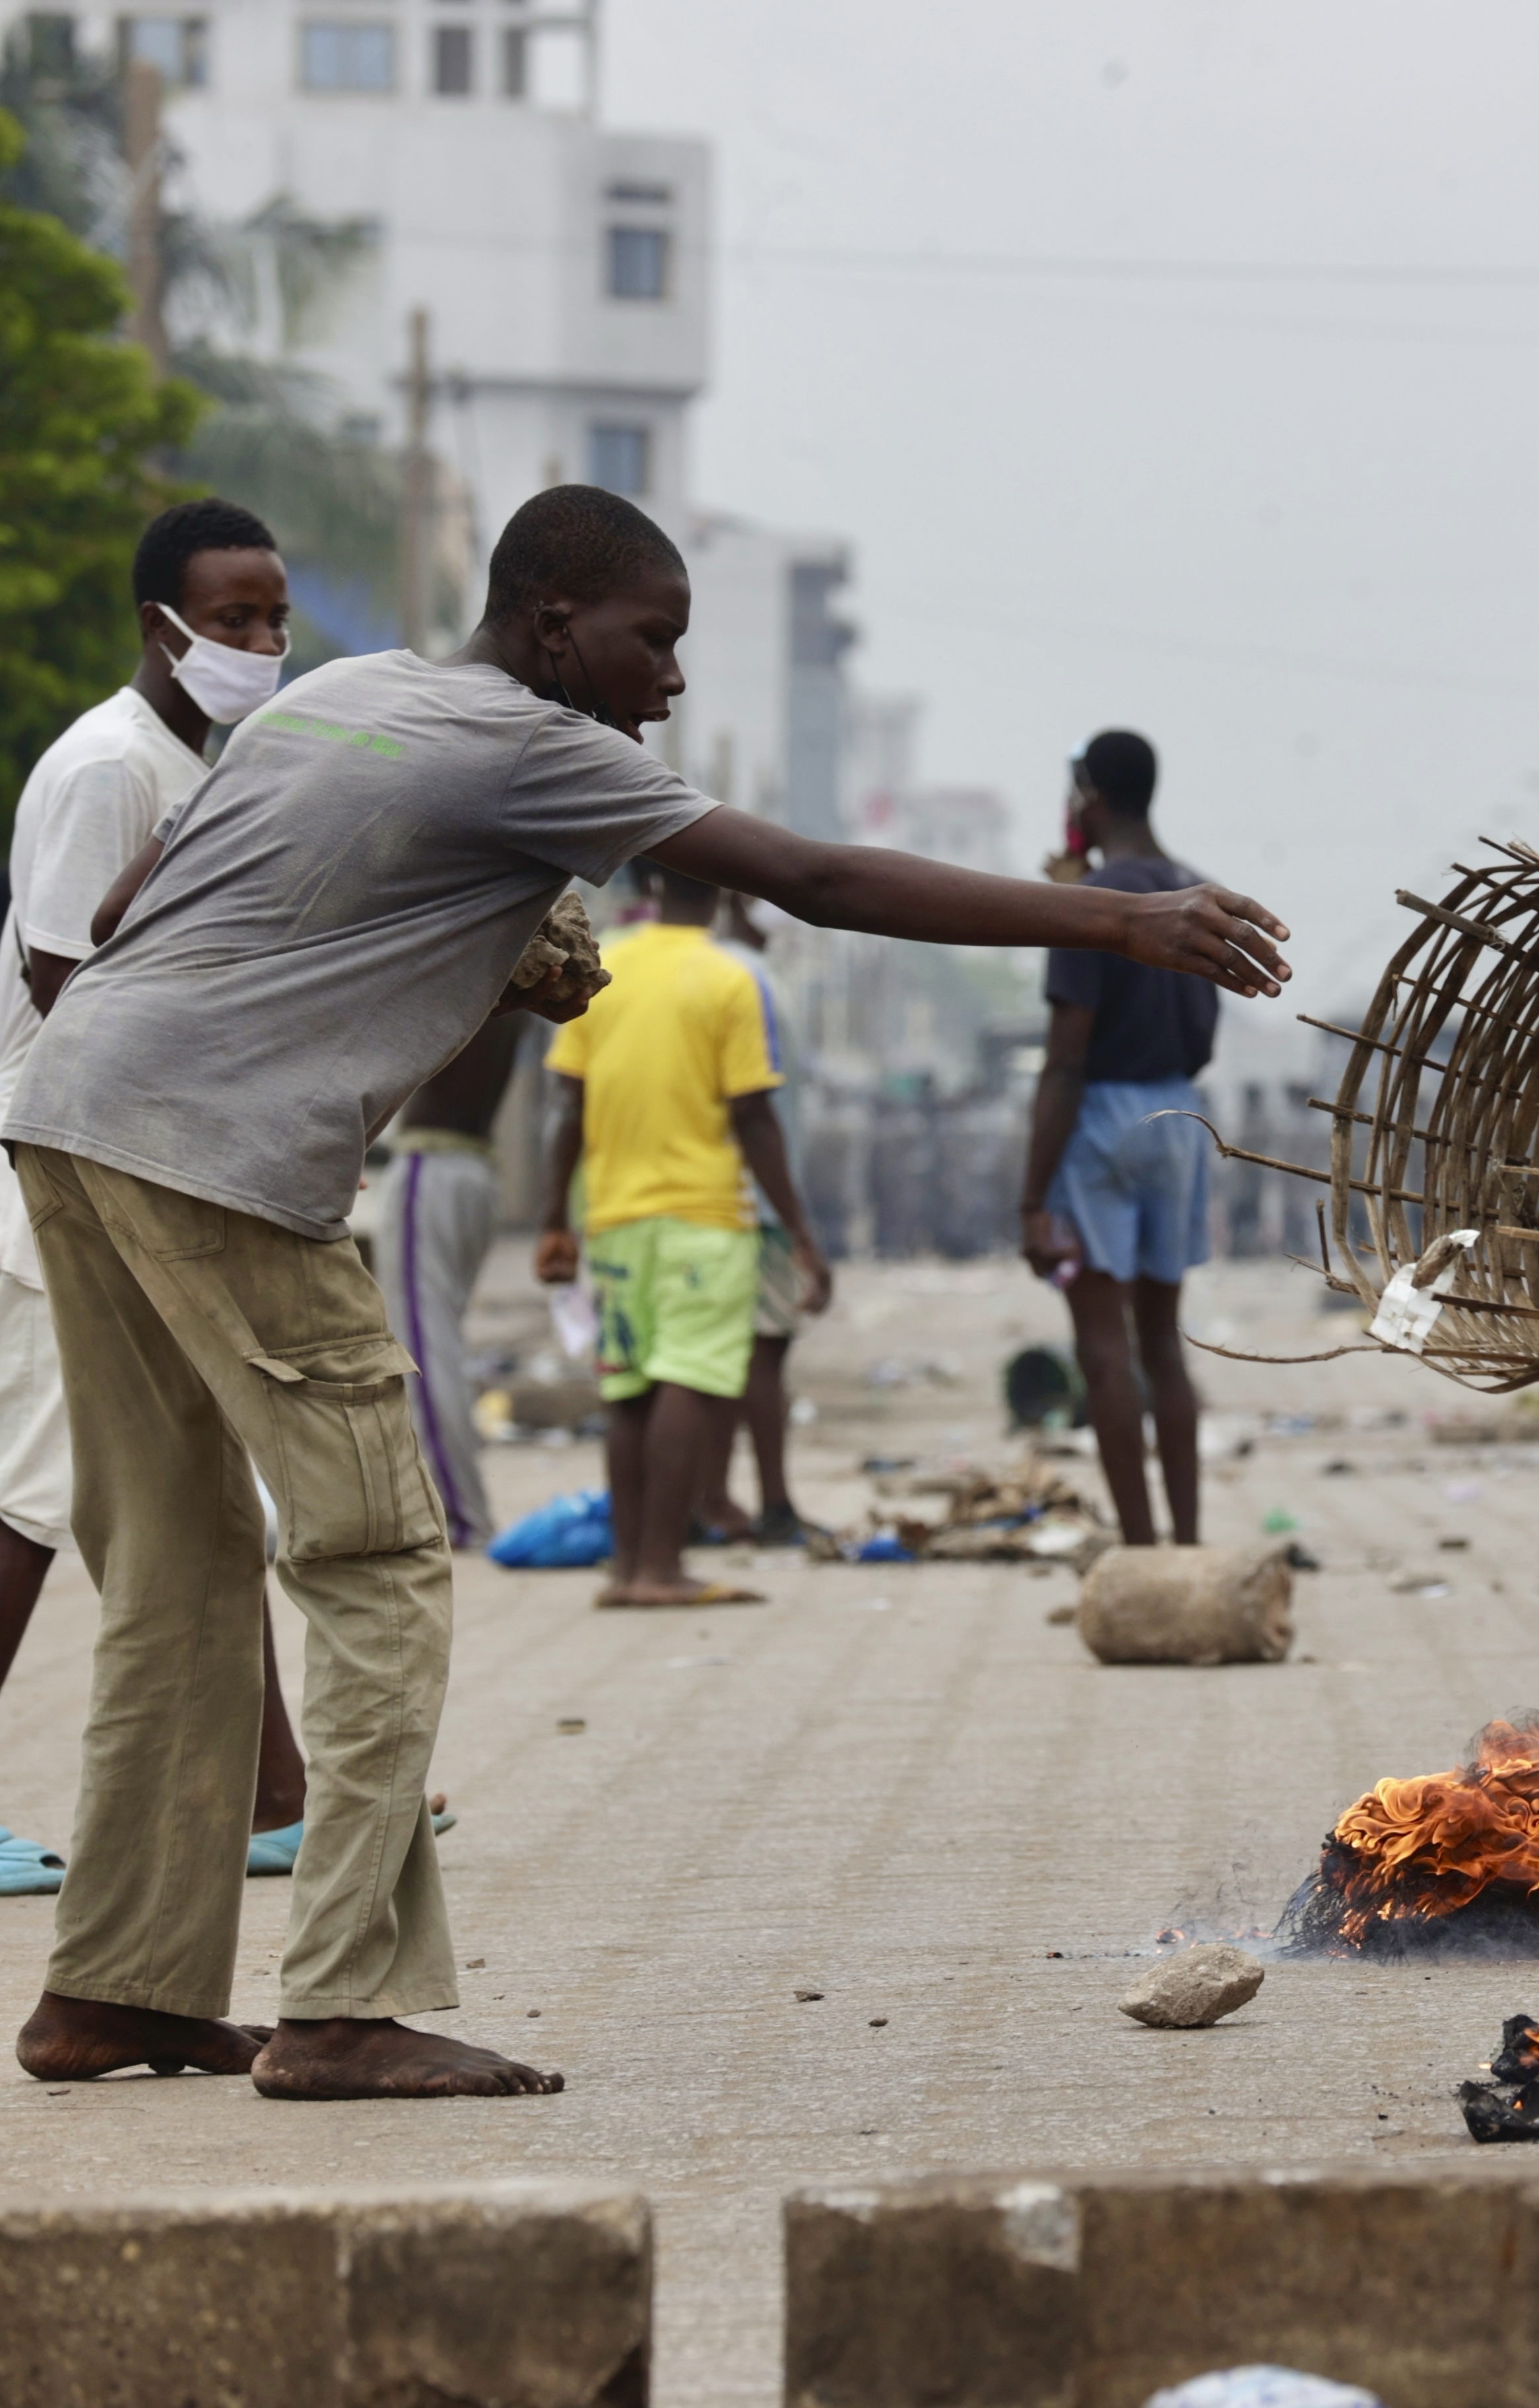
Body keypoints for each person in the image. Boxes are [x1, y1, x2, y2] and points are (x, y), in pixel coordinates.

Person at [5, 483, 1292, 2099]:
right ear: (555, 625)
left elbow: (124, 913)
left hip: (67, 1113)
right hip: (218, 1158)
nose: (669, 682)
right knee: (380, 1559)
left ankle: (114, 1990)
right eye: (651, 641)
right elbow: (819, 877)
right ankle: (340, 2008)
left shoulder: (345, 692)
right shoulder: (532, 744)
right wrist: (1131, 917)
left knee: (183, 1567)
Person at [0, 500, 311, 1896]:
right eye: (233, 621)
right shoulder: (107, 771)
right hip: (64, 1177)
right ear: (160, 627)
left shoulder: (204, 769)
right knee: (34, 1497)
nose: (261, 645)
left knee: (202, 1480)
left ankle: (274, 1791)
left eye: (274, 619)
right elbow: (66, 984)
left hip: (155, 1174)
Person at [537, 855, 830, 1607]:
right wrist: (800, 1230)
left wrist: (552, 1221)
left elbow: (568, 1107)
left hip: (614, 1218)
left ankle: (628, 1568)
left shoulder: (607, 970)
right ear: (726, 890)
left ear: (648, 885)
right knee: (690, 1381)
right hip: (705, 1217)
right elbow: (754, 1115)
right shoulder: (730, 979)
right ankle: (663, 1568)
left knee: (629, 1389)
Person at [1018, 730, 1220, 1548]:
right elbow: (1205, 1037)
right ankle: (1189, 1540)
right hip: (1177, 1118)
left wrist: (1032, 1199)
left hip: (1098, 1116)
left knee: (1103, 1345)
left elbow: (1064, 1060)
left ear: (1088, 798)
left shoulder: (1090, 905)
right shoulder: (1197, 894)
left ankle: (1139, 1548)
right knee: (1162, 1342)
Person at [696, 894, 820, 1549]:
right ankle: (764, 1503)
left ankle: (716, 1498)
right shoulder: (744, 977)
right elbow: (754, 1107)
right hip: (755, 1198)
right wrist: (799, 1226)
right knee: (762, 1353)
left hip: (739, 1194)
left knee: (735, 1355)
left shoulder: (734, 971)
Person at [385, 1017, 525, 1552]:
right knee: (434, 1345)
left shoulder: (464, 950)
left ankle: (459, 1515)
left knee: (423, 1350)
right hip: (470, 1166)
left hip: (435, 1165)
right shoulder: (513, 956)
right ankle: (456, 1505)